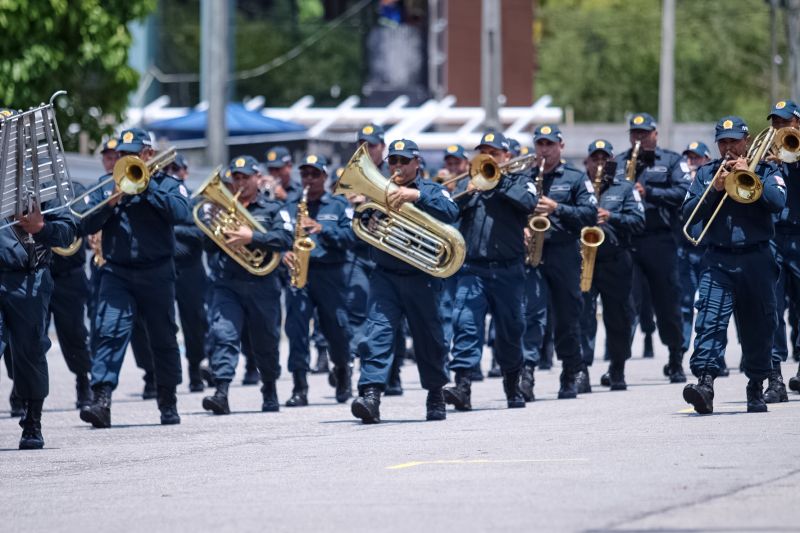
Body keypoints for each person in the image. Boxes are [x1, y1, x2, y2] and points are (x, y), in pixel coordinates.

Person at [79, 128, 191, 428]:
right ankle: (101, 400)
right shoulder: (107, 185)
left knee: (163, 338)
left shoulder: (168, 184)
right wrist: (110, 203)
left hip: (157, 272)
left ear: (148, 154)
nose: (125, 158)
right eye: (121, 154)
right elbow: (83, 224)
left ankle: (167, 400)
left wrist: (146, 187)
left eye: (131, 154)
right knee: (110, 331)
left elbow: (182, 213)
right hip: (117, 272)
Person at [682, 116, 786, 414]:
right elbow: (688, 213)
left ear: (746, 141)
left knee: (759, 324)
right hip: (718, 259)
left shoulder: (766, 169)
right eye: (723, 142)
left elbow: (777, 202)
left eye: (734, 141)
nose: (728, 147)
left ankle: (756, 384)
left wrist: (748, 175)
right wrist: (714, 189)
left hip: (757, 258)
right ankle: (705, 384)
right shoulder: (707, 174)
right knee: (710, 320)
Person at [351, 139, 459, 423]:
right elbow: (357, 231)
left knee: (429, 338)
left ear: (417, 163)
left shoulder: (432, 190)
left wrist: (415, 196)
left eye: (404, 161)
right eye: (393, 161)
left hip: (421, 276)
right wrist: (367, 221)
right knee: (377, 333)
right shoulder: (378, 191)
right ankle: (371, 395)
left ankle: (435, 394)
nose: (397, 166)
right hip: (385, 276)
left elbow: (451, 212)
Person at [0, 106, 77, 448]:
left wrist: (41, 227)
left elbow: (68, 230)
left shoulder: (43, 177)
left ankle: (32, 421)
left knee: (30, 350)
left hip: (28, 276)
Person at [444, 131, 537, 410]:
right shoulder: (469, 182)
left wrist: (499, 181)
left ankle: (512, 384)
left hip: (509, 270)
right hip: (473, 269)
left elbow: (529, 203)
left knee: (510, 329)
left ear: (506, 155)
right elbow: (448, 213)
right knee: (465, 325)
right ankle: (462, 386)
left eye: (494, 153)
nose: (488, 157)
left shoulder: (521, 180)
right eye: (483, 153)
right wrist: (466, 194)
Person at [201, 156, 293, 414]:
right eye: (236, 178)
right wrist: (212, 226)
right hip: (228, 284)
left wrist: (252, 236)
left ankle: (269, 388)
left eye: (245, 177)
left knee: (266, 341)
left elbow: (285, 238)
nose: (240, 182)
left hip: (263, 284)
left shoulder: (273, 209)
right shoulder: (222, 208)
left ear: (257, 178)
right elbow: (207, 246)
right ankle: (221, 392)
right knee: (224, 334)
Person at [521, 125, 597, 400]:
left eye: (550, 144)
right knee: (531, 315)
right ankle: (526, 374)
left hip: (564, 253)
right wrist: (521, 228)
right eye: (540, 144)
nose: (544, 149)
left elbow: (590, 213)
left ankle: (570, 372)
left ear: (561, 146)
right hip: (533, 254)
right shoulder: (525, 177)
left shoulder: (576, 177)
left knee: (567, 317)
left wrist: (557, 208)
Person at [615, 113, 691, 383]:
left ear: (655, 134)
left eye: (644, 133)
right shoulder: (618, 162)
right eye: (635, 133)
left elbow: (684, 192)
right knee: (625, 304)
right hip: (628, 240)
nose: (639, 138)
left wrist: (650, 193)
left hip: (660, 240)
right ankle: (617, 366)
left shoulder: (671, 161)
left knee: (667, 303)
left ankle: (675, 359)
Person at [283, 154, 356, 406]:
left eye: (315, 174)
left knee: (337, 329)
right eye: (305, 174)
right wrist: (283, 254)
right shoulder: (290, 206)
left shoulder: (338, 205)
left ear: (324, 176)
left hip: (330, 274)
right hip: (299, 275)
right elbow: (278, 237)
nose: (309, 179)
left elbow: (352, 237)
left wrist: (323, 229)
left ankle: (343, 372)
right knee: (297, 331)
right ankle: (299, 387)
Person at [578, 140, 645, 390]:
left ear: (612, 162)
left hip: (615, 260)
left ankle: (617, 367)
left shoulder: (625, 188)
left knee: (619, 317)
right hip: (584, 259)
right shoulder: (578, 185)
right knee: (582, 316)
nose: (599, 164)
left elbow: (639, 221)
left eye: (604, 159)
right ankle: (581, 370)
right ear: (587, 161)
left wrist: (611, 216)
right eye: (595, 159)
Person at [764, 100, 800, 403]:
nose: (779, 128)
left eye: (784, 122)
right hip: (774, 238)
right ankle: (774, 377)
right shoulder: (765, 155)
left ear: (797, 124)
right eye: (775, 122)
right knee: (772, 308)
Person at [48, 180, 93, 409]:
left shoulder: (75, 189)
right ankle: (20, 390)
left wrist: (56, 224)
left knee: (74, 333)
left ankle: (83, 381)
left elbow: (86, 222)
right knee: (26, 337)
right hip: (36, 272)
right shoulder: (26, 190)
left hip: (69, 276)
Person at [165, 154, 209, 392]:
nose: (172, 172)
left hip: (190, 270)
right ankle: (160, 375)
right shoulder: (161, 196)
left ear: (185, 172)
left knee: (194, 323)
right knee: (162, 323)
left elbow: (202, 233)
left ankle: (195, 370)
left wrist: (173, 229)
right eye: (168, 168)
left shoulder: (195, 201)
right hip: (164, 267)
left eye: (176, 168)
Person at [677, 141, 718, 376]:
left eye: (696, 158)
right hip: (686, 250)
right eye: (689, 158)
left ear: (707, 160)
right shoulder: (684, 181)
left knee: (711, 304)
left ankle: (717, 356)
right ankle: (681, 351)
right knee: (685, 303)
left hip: (708, 250)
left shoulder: (714, 178)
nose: (692, 162)